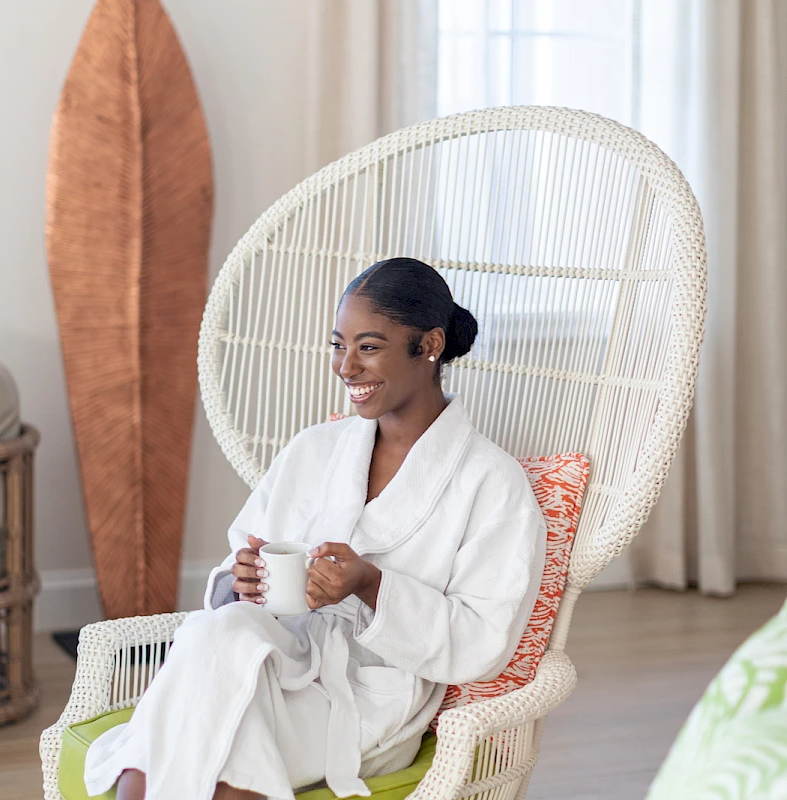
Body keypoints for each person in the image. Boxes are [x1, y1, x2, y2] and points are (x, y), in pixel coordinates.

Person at [85, 257, 547, 800]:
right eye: (338, 345)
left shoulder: (491, 482)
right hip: (274, 656)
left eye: (368, 347)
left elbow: (482, 642)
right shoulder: (314, 449)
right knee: (215, 633)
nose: (345, 367)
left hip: (371, 696)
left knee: (186, 746)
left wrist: (372, 586)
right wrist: (243, 579)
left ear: (429, 345)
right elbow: (239, 570)